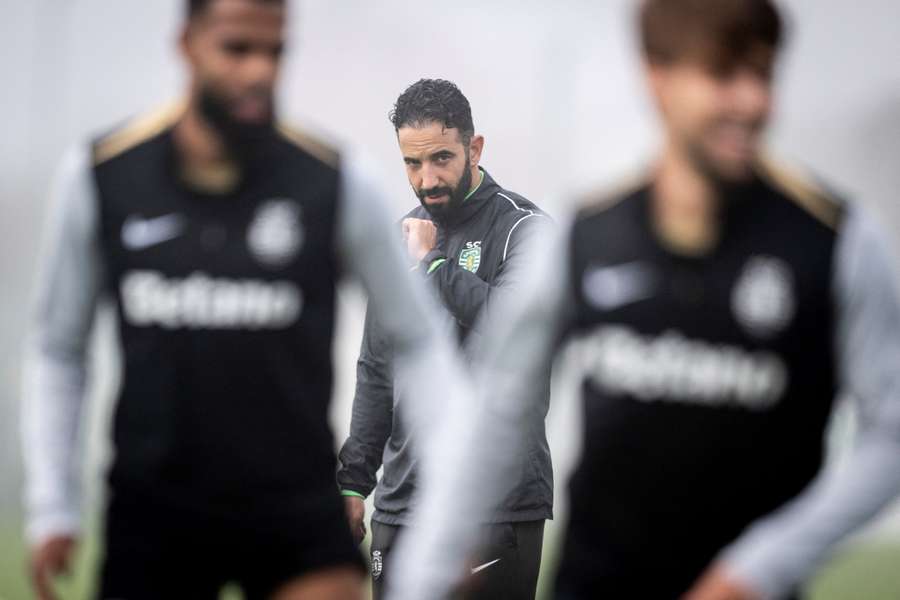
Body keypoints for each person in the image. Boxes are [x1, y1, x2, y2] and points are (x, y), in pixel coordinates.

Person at [388, 1, 900, 599]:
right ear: (657, 77)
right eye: (723, 75)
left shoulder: (837, 241)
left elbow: (888, 435)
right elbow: (498, 413)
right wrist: (425, 574)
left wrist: (759, 569)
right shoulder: (586, 235)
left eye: (762, 75)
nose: (752, 102)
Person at [21, 2, 469, 599]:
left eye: (275, 51)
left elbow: (418, 341)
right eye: (237, 49)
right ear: (188, 44)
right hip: (156, 513)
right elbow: (58, 346)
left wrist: (455, 504)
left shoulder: (334, 181)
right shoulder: (103, 176)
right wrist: (53, 504)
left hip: (294, 512)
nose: (259, 71)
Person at [336, 79, 553, 600]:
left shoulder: (525, 231)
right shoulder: (399, 237)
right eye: (413, 164)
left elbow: (512, 334)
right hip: (402, 503)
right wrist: (353, 481)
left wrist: (433, 266)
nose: (427, 179)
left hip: (497, 505)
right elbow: (376, 367)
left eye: (440, 158)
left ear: (474, 148)